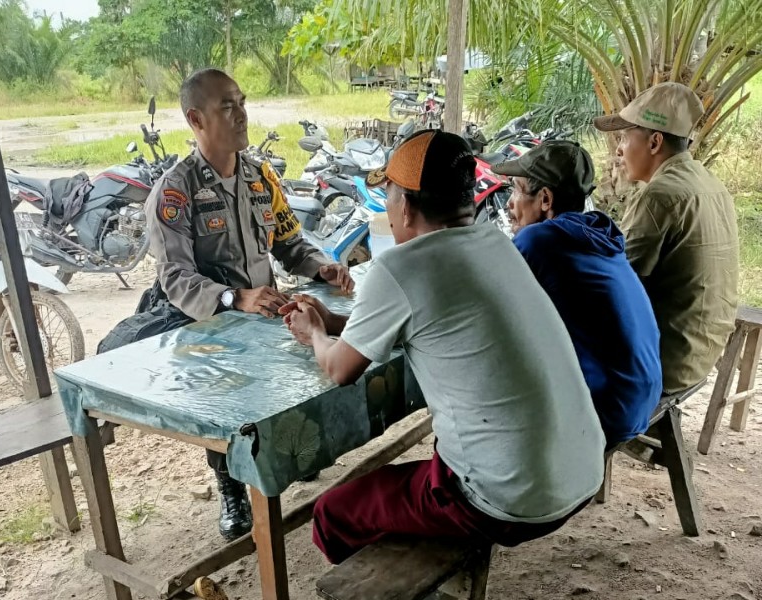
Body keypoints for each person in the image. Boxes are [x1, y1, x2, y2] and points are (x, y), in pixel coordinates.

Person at [280, 130, 606, 564]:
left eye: (391, 196)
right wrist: (338, 321)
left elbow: (340, 369)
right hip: (583, 469)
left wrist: (314, 335)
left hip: (508, 500)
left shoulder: (398, 266)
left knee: (332, 511)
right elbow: (424, 322)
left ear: (407, 207)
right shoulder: (497, 243)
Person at [98, 68, 353, 542]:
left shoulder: (260, 177)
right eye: (227, 106)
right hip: (208, 323)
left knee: (298, 376)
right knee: (230, 402)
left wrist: (322, 267)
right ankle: (230, 485)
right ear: (196, 119)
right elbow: (174, 277)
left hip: (265, 313)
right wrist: (234, 297)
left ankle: (291, 453)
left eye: (242, 101)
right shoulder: (176, 192)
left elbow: (290, 242)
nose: (241, 114)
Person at [491, 140, 662, 448]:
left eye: (516, 190)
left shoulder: (539, 240)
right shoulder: (598, 234)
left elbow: (493, 308)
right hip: (640, 396)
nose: (508, 204)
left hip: (607, 410)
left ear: (545, 199)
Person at [593, 82, 739, 394]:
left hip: (666, 362)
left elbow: (617, 281)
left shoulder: (660, 195)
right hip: (700, 352)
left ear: (655, 141)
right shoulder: (710, 184)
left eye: (624, 136)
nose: (618, 148)